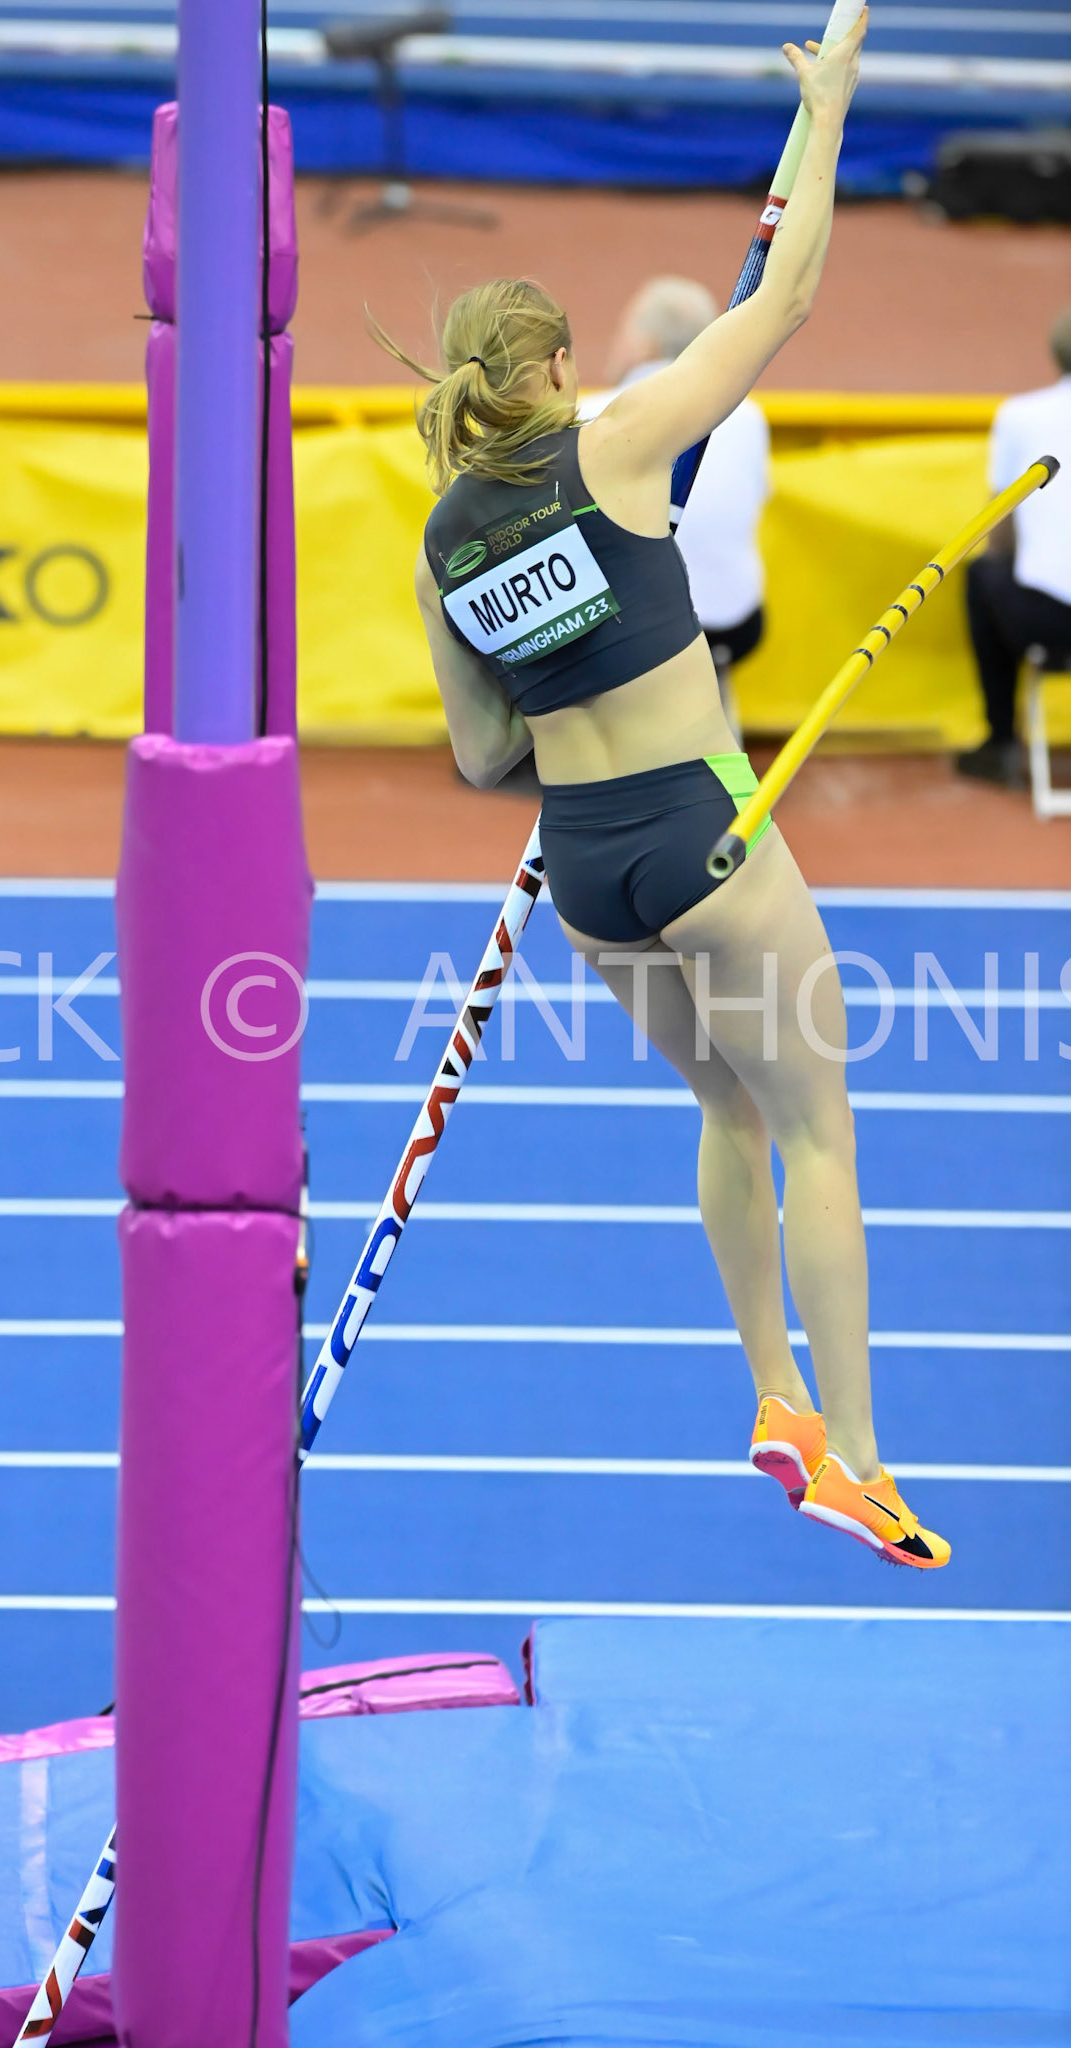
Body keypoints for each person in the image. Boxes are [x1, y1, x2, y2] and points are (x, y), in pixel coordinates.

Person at [383, 8, 949, 1570]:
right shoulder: (623, 440)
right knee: (819, 1128)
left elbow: (477, 754)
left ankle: (772, 1393)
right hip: (708, 834)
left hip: (587, 872)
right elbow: (792, 293)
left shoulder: (445, 539)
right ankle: (863, 1457)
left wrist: (559, 646)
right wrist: (824, 107)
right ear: (558, 365)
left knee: (721, 1102)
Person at [579, 275, 771, 733]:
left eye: (623, 330)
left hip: (637, 636)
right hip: (733, 626)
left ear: (643, 343)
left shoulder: (590, 415)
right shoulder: (749, 415)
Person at [956, 305, 1071, 787]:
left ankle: (1000, 738)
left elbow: (997, 529)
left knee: (984, 573)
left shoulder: (1021, 415)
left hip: (1050, 621)